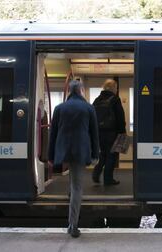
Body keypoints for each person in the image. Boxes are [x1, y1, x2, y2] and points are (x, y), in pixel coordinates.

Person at [48, 80, 99, 238]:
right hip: (80, 150)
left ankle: (70, 198)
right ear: (81, 90)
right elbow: (94, 133)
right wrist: (95, 154)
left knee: (72, 180)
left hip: (63, 150)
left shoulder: (59, 108)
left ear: (69, 91)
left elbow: (53, 134)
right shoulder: (88, 108)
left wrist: (50, 156)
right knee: (77, 186)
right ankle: (73, 225)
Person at [92, 79, 126, 186]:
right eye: (116, 87)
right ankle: (108, 179)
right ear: (113, 88)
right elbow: (120, 117)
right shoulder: (115, 99)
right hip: (112, 132)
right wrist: (122, 132)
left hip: (99, 132)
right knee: (112, 155)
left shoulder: (97, 100)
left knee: (103, 154)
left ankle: (96, 173)